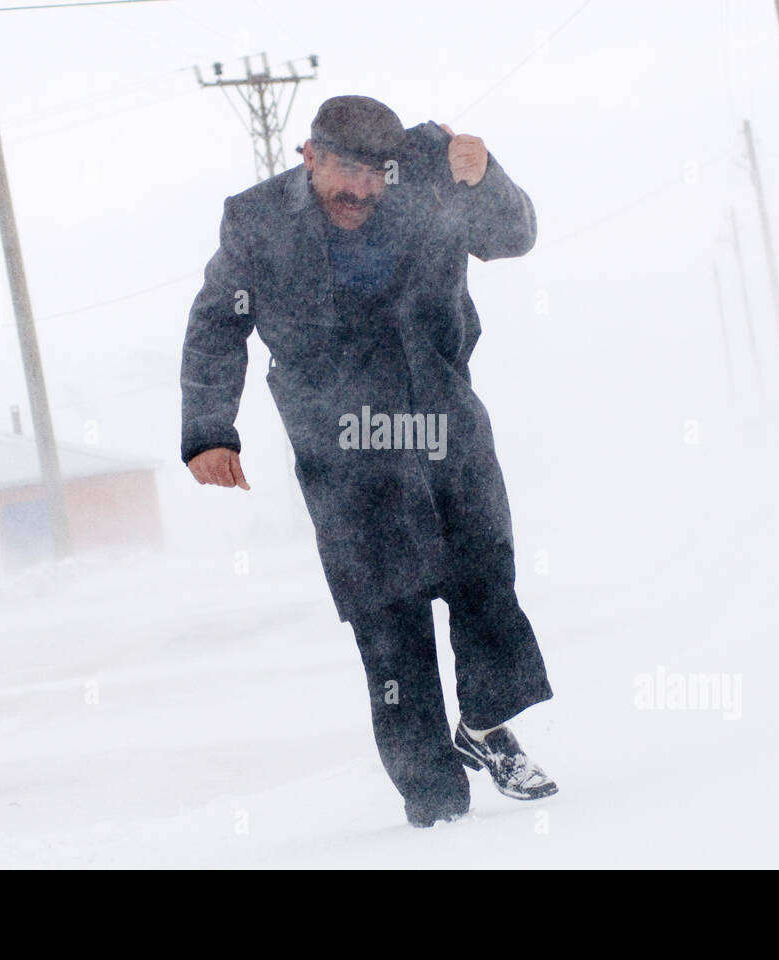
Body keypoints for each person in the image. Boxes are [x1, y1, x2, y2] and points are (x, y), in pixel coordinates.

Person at [181, 95, 556, 828]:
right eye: (345, 172)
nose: (362, 190)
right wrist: (208, 429)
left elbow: (513, 235)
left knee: (486, 579)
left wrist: (486, 177)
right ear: (309, 156)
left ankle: (485, 726)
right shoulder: (257, 223)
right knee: (390, 628)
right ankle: (435, 804)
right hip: (346, 451)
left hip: (443, 423)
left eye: (377, 175)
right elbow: (217, 324)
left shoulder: (432, 168)